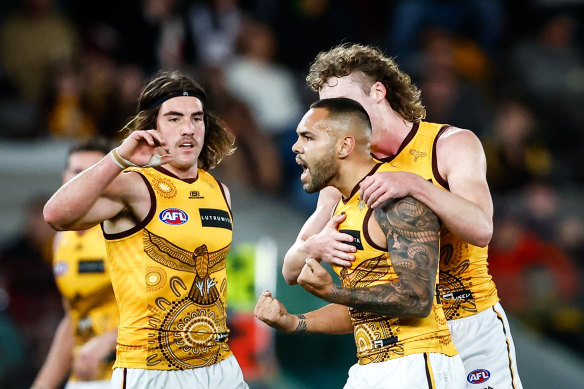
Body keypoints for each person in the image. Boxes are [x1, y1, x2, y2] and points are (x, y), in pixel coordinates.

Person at [282, 43, 522, 388]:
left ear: (378, 91)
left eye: (345, 103)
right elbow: (291, 268)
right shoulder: (343, 171)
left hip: (469, 322)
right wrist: (314, 246)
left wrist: (416, 185)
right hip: (404, 337)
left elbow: (482, 229)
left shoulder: (450, 144)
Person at [43, 70, 248, 388]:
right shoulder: (135, 185)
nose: (188, 129)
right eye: (175, 119)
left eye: (197, 118)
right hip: (152, 370)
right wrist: (120, 158)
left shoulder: (220, 190)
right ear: (152, 128)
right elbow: (55, 214)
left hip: (220, 366)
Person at [256, 97, 465, 389]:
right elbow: (363, 306)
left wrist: (333, 291)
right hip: (370, 365)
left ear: (344, 146)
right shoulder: (343, 207)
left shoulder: (397, 200)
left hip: (416, 363)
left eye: (308, 137)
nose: (296, 146)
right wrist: (295, 322)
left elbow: (417, 299)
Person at [32, 138, 119, 389]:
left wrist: (108, 341)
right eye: (78, 173)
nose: (84, 182)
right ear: (64, 178)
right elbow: (73, 318)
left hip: (132, 372)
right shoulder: (62, 239)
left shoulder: (125, 231)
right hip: (85, 376)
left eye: (94, 173)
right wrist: (43, 384)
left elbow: (161, 308)